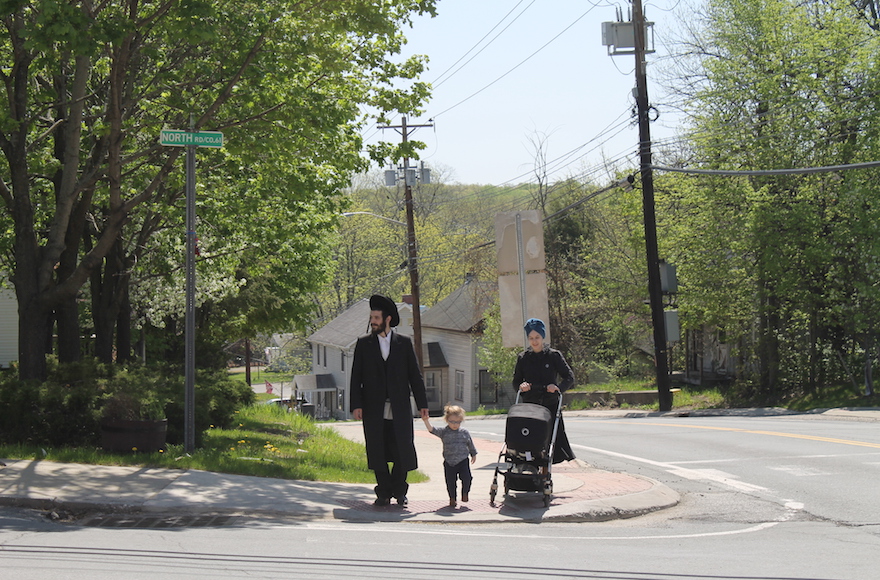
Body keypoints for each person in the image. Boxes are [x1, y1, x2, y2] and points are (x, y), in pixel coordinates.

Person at [350, 294, 429, 506]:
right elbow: (355, 376)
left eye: (376, 317)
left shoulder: (403, 343)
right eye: (371, 317)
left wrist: (423, 404)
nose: (372, 321)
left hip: (400, 407)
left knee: (402, 448)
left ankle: (399, 490)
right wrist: (356, 404)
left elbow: (415, 375)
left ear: (387, 319)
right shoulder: (364, 344)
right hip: (373, 407)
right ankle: (383, 492)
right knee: (378, 449)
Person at [512, 318, 576, 463]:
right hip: (530, 406)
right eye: (531, 338)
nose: (534, 341)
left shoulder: (554, 356)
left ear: (542, 337)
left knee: (550, 440)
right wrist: (521, 387)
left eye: (537, 337)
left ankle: (546, 469)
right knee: (530, 440)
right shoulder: (523, 358)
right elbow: (516, 382)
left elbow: (569, 377)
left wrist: (558, 388)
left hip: (550, 404)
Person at [422, 404, 477, 507]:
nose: (455, 424)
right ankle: (452, 498)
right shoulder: (444, 432)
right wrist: (426, 420)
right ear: (447, 420)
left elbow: (470, 444)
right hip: (449, 462)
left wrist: (473, 454)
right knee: (450, 482)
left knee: (467, 478)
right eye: (452, 422)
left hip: (463, 461)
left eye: (458, 422)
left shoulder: (464, 432)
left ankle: (465, 493)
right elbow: (431, 430)